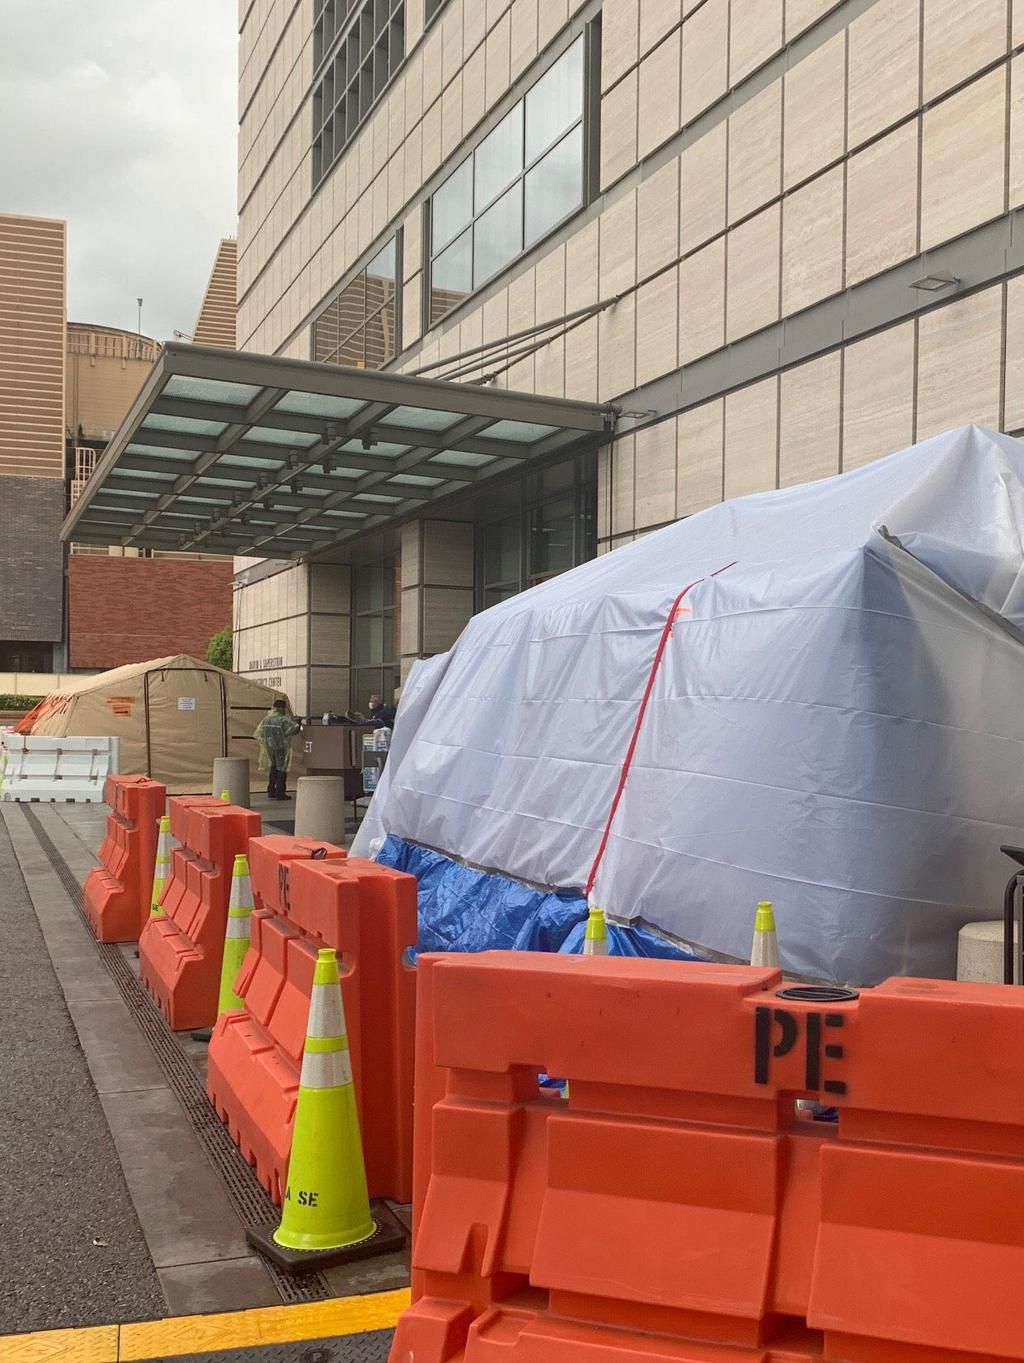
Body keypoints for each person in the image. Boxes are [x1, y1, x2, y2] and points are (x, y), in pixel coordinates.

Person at [254, 698, 302, 800]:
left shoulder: (266, 719)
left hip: (269, 747)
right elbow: (293, 729)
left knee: (273, 767)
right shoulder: (282, 719)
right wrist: (299, 723)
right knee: (282, 769)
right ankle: (280, 792)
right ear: (281, 708)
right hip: (281, 747)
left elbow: (259, 734)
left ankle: (271, 790)